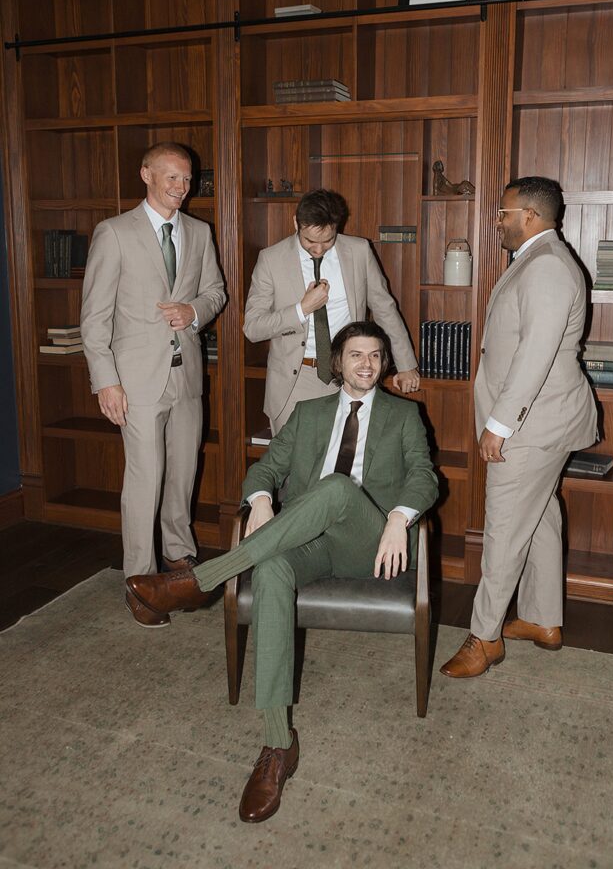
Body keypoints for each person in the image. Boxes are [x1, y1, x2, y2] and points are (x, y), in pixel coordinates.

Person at [126, 321, 438, 822]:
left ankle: (199, 582)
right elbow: (265, 468)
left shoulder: (405, 416)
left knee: (337, 488)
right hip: (307, 539)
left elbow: (424, 474)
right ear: (337, 364)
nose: (366, 364)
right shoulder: (310, 413)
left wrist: (400, 517)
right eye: (356, 355)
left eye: (375, 356)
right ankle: (277, 746)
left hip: (370, 542)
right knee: (270, 568)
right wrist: (262, 499)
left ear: (384, 363)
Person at [440, 177, 597, 679]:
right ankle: (542, 619)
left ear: (529, 216)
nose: (498, 221)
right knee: (542, 515)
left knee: (504, 529)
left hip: (530, 425)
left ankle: (484, 638)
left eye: (503, 213)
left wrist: (499, 425)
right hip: (545, 419)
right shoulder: (538, 259)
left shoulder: (548, 266)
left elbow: (534, 357)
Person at [80, 142, 226, 628]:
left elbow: (216, 293)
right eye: (172, 178)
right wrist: (107, 382)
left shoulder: (200, 233)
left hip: (187, 377)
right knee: (145, 480)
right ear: (146, 174)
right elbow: (94, 319)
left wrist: (194, 311)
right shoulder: (114, 233)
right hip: (136, 382)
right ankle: (140, 582)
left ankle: (180, 561)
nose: (181, 188)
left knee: (183, 472)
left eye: (186, 180)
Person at [243, 189, 420, 435]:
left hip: (350, 377)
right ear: (296, 223)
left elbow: (384, 308)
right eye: (309, 241)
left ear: (337, 226)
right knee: (296, 470)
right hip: (294, 382)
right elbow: (253, 327)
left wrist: (406, 364)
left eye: (327, 241)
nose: (318, 249)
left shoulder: (359, 251)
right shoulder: (271, 259)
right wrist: (302, 309)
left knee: (346, 467)